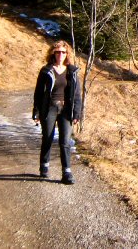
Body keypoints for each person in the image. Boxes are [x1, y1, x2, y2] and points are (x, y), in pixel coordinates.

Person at [32, 40, 82, 184]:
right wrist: (36, 111)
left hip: (66, 110)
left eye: (63, 52)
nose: (60, 54)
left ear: (67, 54)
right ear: (53, 53)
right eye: (58, 52)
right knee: (47, 138)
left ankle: (67, 173)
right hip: (49, 108)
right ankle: (44, 167)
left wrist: (77, 113)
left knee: (65, 141)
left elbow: (77, 94)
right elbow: (38, 93)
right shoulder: (46, 70)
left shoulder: (72, 71)